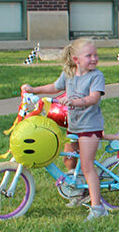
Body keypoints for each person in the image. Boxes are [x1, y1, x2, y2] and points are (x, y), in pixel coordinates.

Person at [23, 38, 108, 221]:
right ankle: (80, 192)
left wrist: (75, 101)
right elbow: (55, 87)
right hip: (74, 126)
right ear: (76, 59)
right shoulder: (69, 73)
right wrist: (34, 90)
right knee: (70, 161)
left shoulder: (96, 76)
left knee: (87, 166)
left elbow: (93, 98)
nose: (94, 59)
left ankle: (98, 208)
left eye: (95, 55)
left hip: (90, 127)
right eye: (89, 56)